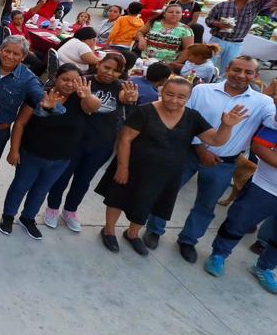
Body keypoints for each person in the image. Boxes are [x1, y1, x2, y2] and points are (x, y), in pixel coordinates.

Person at [145, 57, 276, 261]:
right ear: (227, 69)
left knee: (206, 205)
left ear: (256, 76)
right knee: (166, 193)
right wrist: (200, 147)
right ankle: (154, 229)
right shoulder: (202, 90)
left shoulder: (263, 102)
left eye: (248, 72)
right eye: (237, 70)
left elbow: (273, 124)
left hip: (224, 162)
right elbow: (183, 117)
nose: (241, 75)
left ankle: (188, 240)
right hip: (188, 153)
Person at [97, 77, 247, 255]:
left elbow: (216, 140)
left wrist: (226, 126)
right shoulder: (144, 111)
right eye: (169, 94)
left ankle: (132, 234)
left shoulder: (192, 117)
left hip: (166, 172)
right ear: (162, 92)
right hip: (133, 166)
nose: (174, 100)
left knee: (148, 202)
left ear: (188, 98)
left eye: (181, 97)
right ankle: (109, 230)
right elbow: (125, 139)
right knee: (118, 198)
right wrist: (123, 168)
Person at [0, 64, 99, 240]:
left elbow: (94, 107)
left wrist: (88, 96)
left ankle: (28, 218)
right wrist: (14, 150)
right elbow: (21, 123)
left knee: (42, 190)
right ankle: (8, 216)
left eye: (74, 81)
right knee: (20, 186)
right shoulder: (39, 95)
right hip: (31, 154)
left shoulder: (81, 100)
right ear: (55, 77)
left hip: (61, 159)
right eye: (65, 79)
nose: (69, 84)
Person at [43, 53, 138, 232]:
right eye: (107, 67)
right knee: (62, 177)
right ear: (99, 64)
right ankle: (52, 207)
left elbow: (125, 98)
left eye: (116, 71)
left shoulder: (120, 87)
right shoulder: (82, 81)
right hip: (74, 141)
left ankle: (70, 210)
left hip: (102, 144)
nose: (110, 73)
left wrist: (130, 98)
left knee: (83, 181)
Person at [204, 123, 277, 293]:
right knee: (238, 222)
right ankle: (219, 255)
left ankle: (264, 268)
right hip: (264, 186)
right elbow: (259, 147)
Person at [204, 0, 276, 73]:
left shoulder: (254, 6)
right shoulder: (222, 5)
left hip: (236, 43)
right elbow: (208, 20)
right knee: (207, 66)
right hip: (217, 40)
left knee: (228, 70)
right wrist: (217, 24)